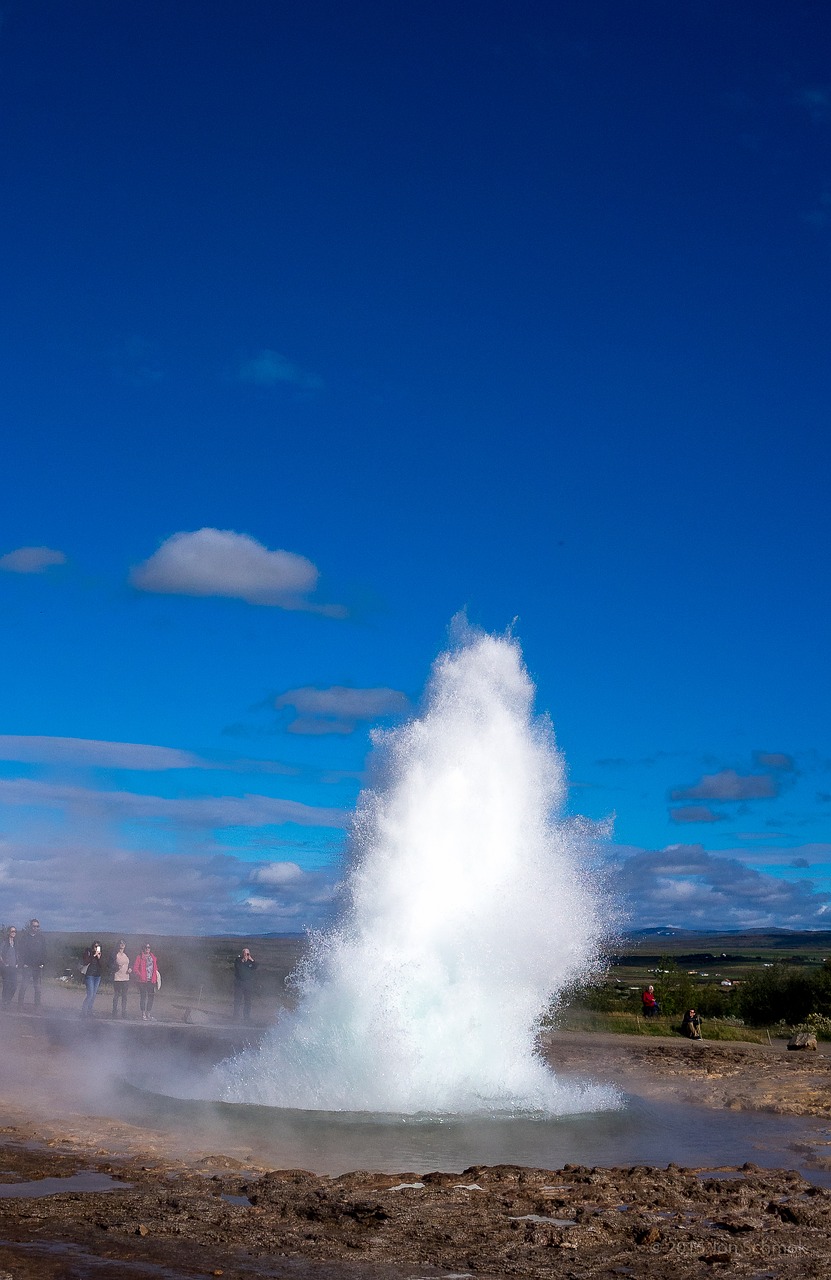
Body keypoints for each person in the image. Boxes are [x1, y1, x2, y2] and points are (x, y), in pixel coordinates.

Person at [18, 918, 46, 1010]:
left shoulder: (41, 938)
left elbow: (44, 952)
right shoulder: (25, 938)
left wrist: (42, 963)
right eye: (34, 926)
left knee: (37, 988)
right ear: (31, 926)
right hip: (27, 966)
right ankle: (20, 1005)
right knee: (24, 985)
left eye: (37, 926)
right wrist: (22, 964)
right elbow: (21, 952)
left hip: (37, 966)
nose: (36, 928)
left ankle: (37, 1006)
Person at [133, 942, 159, 1021]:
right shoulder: (139, 957)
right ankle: (143, 1014)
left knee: (151, 997)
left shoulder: (153, 957)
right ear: (143, 948)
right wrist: (140, 975)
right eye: (146, 947)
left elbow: (155, 968)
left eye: (149, 947)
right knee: (143, 997)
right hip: (142, 981)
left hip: (151, 980)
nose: (147, 949)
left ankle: (148, 1014)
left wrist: (156, 977)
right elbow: (135, 968)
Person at [233, 946, 258, 1023]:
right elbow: (237, 967)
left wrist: (251, 959)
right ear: (242, 954)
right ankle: (236, 1017)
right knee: (238, 1000)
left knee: (248, 1001)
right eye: (245, 953)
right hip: (239, 983)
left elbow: (255, 967)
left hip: (248, 983)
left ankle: (246, 1017)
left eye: (247, 953)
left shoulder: (250, 962)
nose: (246, 955)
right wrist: (243, 961)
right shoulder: (238, 960)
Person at [81, 941, 104, 1017]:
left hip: (97, 976)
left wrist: (99, 958)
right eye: (95, 946)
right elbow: (85, 962)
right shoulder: (88, 952)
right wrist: (94, 955)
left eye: (98, 946)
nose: (96, 948)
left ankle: (89, 1011)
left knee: (94, 995)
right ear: (92, 947)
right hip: (90, 975)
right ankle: (84, 1011)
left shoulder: (100, 954)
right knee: (90, 994)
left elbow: (102, 965)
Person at [0, 927, 21, 1007]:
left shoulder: (16, 943)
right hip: (5, 967)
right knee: (6, 985)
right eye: (12, 931)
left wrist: (18, 963)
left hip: (14, 967)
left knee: (14, 985)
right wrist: (4, 963)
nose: (14, 933)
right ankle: (4, 1002)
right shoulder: (4, 942)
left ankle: (8, 1000)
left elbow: (18, 954)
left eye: (15, 931)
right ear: (9, 932)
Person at [110, 939, 131, 1018]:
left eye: (123, 943)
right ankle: (114, 1011)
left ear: (125, 945)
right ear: (118, 944)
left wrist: (130, 968)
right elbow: (110, 965)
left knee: (124, 996)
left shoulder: (126, 954)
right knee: (117, 995)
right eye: (120, 943)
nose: (122, 945)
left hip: (126, 977)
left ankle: (124, 1012)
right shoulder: (114, 954)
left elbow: (130, 963)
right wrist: (116, 967)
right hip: (117, 977)